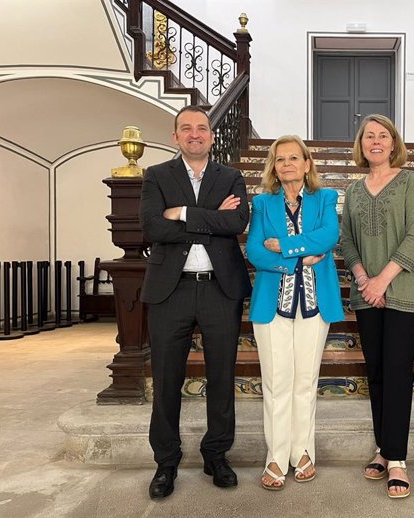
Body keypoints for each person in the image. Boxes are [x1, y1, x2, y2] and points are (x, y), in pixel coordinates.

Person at [139, 105, 251, 499]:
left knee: (222, 376)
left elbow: (236, 224)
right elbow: (152, 227)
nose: (194, 134)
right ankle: (165, 462)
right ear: (175, 137)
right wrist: (209, 219)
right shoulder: (156, 176)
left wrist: (184, 213)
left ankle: (216, 454)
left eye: (201, 128)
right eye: (185, 128)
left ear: (210, 134)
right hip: (172, 290)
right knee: (167, 378)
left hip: (221, 289)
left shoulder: (231, 176)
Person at [340, 115, 414, 499]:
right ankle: (383, 447)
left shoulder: (410, 181)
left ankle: (397, 460)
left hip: (406, 289)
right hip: (366, 293)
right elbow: (346, 241)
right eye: (368, 137)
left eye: (383, 136)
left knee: (396, 372)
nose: (375, 142)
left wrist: (382, 279)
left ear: (394, 144)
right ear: (361, 146)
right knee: (375, 373)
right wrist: (364, 278)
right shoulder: (353, 189)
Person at [246, 135, 344, 491]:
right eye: (280, 159)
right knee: (277, 383)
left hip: (315, 304)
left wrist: (286, 247)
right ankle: (276, 455)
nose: (287, 164)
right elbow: (256, 251)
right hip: (272, 306)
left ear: (307, 164)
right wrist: (296, 261)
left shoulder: (325, 198)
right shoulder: (262, 204)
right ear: (273, 166)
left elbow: (329, 236)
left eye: (294, 158)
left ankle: (302, 452)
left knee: (305, 381)